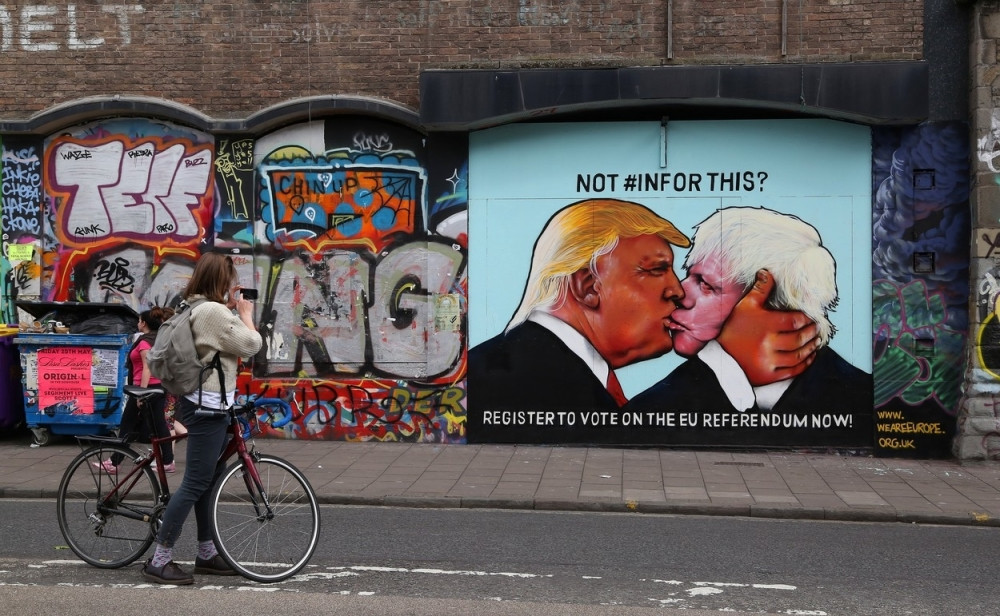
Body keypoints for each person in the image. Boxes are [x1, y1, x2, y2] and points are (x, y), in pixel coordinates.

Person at [627, 207, 872, 445]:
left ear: (773, 308)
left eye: (706, 284)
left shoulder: (862, 400)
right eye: (690, 275)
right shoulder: (653, 406)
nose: (680, 292)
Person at [141, 252, 262, 585]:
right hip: (206, 407)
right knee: (196, 483)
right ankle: (160, 559)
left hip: (211, 404)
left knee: (209, 482)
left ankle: (206, 554)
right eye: (228, 280)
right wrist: (246, 314)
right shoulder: (210, 311)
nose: (230, 288)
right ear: (219, 281)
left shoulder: (194, 306)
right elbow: (252, 344)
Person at [94, 307, 176, 473]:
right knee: (156, 425)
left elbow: (147, 368)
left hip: (145, 388)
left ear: (144, 323)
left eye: (139, 320)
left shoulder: (146, 342)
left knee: (131, 424)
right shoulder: (157, 339)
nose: (137, 323)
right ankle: (166, 460)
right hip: (153, 387)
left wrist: (141, 394)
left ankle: (116, 462)